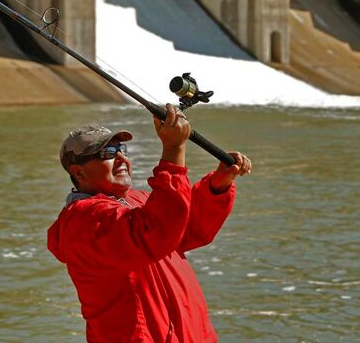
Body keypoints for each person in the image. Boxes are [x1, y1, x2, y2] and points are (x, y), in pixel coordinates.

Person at [47, 104, 251, 343]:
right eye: (107, 154)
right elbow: (156, 231)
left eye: (120, 149)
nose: (121, 158)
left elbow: (185, 228)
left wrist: (218, 185)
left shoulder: (136, 201)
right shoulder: (84, 221)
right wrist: (174, 148)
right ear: (79, 173)